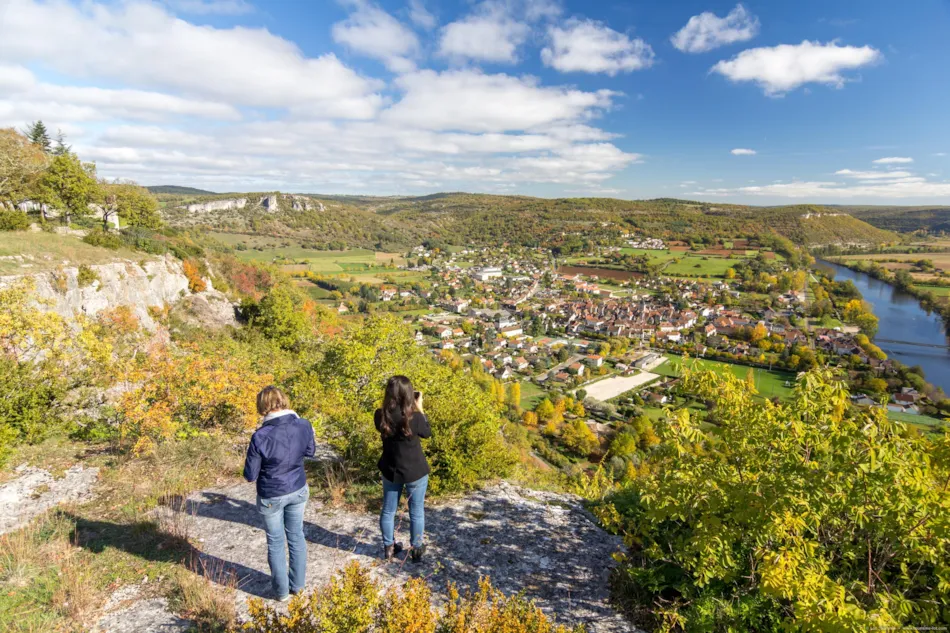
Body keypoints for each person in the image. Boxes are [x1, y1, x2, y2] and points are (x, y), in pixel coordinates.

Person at [243, 386, 315, 601]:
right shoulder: (304, 424)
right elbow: (310, 452)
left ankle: (282, 592)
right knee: (296, 536)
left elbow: (250, 475)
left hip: (272, 493)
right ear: (283, 400)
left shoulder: (260, 435)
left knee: (275, 541)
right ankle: (298, 586)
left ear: (263, 406)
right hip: (298, 487)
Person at [376, 375, 431, 563]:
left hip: (391, 470)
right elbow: (427, 432)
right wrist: (420, 408)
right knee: (416, 511)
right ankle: (416, 549)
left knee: (388, 510)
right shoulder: (414, 418)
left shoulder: (380, 415)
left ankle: (389, 548)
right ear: (409, 395)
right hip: (415, 471)